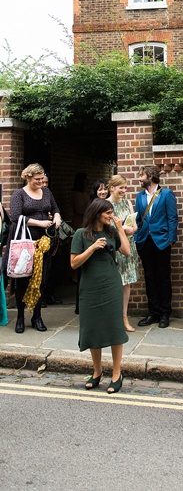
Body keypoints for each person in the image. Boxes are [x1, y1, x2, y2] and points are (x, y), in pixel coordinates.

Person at [71, 198, 130, 394]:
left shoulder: (111, 232)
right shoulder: (81, 234)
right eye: (108, 212)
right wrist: (92, 247)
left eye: (112, 212)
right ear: (97, 213)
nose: (111, 215)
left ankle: (116, 373)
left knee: (114, 327)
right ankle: (97, 372)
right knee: (92, 327)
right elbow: (74, 263)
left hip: (111, 283)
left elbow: (127, 251)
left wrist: (120, 228)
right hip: (90, 286)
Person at [8, 163, 62, 333]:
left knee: (41, 280)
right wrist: (39, 222)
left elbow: (54, 208)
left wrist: (58, 217)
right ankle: (20, 318)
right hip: (26, 241)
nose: (41, 182)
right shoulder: (19, 194)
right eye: (37, 180)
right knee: (23, 279)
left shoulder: (46, 192)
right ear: (28, 177)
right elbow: (15, 217)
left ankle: (37, 317)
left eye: (42, 179)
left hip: (44, 242)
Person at [133, 165, 178, 329]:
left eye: (141, 175)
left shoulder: (166, 194)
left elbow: (173, 218)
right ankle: (153, 312)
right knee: (150, 278)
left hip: (162, 241)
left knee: (164, 277)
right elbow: (138, 220)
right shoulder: (139, 197)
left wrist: (171, 240)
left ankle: (165, 313)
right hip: (145, 241)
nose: (139, 178)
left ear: (150, 177)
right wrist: (137, 238)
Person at [107, 175, 139, 332]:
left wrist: (132, 228)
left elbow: (134, 224)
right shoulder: (106, 204)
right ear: (112, 187)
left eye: (125, 188)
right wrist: (120, 230)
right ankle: (112, 318)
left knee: (127, 283)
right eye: (121, 188)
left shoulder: (127, 202)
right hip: (115, 246)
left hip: (129, 245)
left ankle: (124, 317)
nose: (124, 191)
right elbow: (104, 227)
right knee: (114, 283)